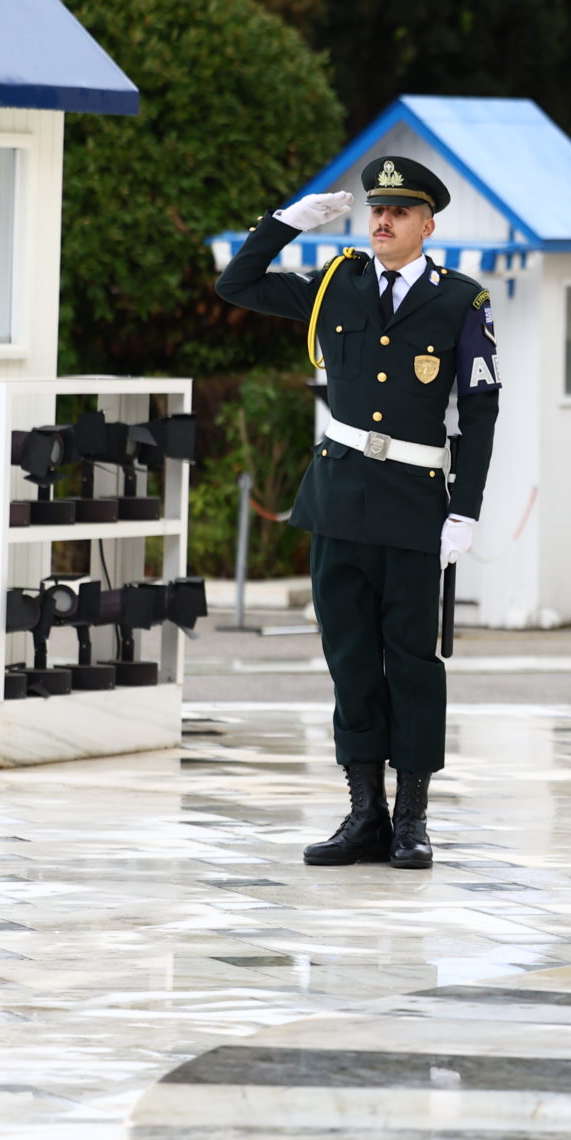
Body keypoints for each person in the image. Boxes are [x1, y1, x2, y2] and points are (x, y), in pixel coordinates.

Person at [217, 156, 500, 870]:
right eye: (377, 208)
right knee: (349, 661)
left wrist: (463, 509)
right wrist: (283, 223)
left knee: (411, 662)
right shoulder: (335, 285)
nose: (382, 220)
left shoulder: (460, 302)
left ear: (427, 224)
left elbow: (480, 411)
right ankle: (363, 812)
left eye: (399, 211)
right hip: (338, 500)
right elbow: (236, 283)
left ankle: (411, 818)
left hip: (412, 505)